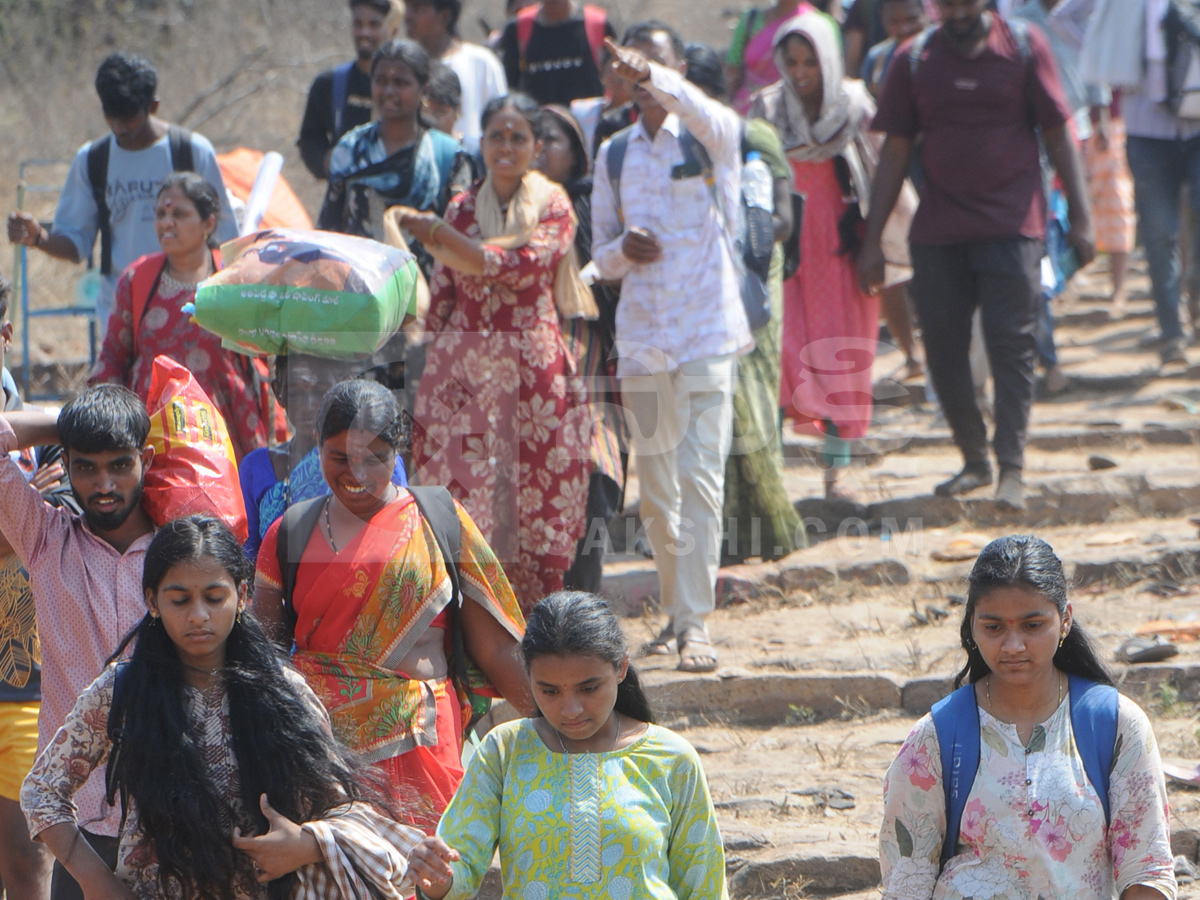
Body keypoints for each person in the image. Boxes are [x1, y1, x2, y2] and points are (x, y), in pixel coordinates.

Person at [22, 515, 423, 900]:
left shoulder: (285, 693)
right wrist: (95, 880)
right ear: (152, 601)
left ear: (243, 595)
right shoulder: (122, 690)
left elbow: (335, 807)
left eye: (214, 598)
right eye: (180, 600)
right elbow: (42, 790)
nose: (199, 616)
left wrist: (304, 844)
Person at [254, 379, 534, 832]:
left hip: (420, 746)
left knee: (427, 879)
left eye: (375, 458)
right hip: (320, 751)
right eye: (339, 458)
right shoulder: (289, 534)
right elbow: (262, 660)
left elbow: (496, 650)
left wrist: (567, 731)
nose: (356, 474)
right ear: (317, 449)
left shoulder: (439, 520)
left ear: (399, 453)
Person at [859, 0, 1095, 511]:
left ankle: (1011, 466)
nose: (959, 10)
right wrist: (872, 238)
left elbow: (1057, 131)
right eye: (948, 3)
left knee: (1012, 346)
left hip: (1014, 227)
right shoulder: (913, 58)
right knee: (943, 352)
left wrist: (1082, 215)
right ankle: (973, 458)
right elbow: (894, 150)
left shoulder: (1025, 46)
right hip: (939, 230)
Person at [879, 534, 1176, 900]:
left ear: (1064, 619)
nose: (1013, 645)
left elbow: (1147, 869)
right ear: (972, 625)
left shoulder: (1116, 725)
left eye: (1032, 625)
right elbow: (907, 881)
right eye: (994, 627)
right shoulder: (938, 736)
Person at [591, 25, 751, 672]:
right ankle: (675, 608)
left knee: (701, 478)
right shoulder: (614, 155)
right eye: (634, 64)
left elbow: (712, 116)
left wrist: (658, 76)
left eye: (655, 61)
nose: (644, 74)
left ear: (678, 66)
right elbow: (597, 257)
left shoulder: (711, 134)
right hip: (644, 339)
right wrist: (620, 253)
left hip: (709, 331)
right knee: (656, 490)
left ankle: (695, 624)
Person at [405, 591, 728, 900]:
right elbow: (458, 868)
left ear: (621, 668)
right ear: (528, 677)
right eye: (549, 691)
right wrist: (435, 876)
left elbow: (704, 886)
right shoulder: (504, 752)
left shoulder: (671, 758)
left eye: (588, 688)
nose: (571, 709)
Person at [402, 93, 592, 614]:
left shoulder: (553, 206)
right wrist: (421, 351)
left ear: (534, 147)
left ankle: (539, 636)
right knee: (464, 504)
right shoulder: (461, 208)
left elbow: (522, 266)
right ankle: (473, 639)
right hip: (461, 379)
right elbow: (442, 291)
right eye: (496, 136)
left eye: (518, 137)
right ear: (481, 143)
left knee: (536, 507)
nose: (506, 147)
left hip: (534, 377)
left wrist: (441, 238)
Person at [0, 385, 156, 900]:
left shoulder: (178, 552)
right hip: (79, 830)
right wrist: (65, 420)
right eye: (85, 467)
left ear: (146, 460)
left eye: (120, 464)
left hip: (170, 816)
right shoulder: (45, 539)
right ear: (65, 464)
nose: (104, 484)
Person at [6, 53, 237, 339]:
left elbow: (227, 243)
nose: (119, 127)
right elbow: (77, 244)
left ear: (153, 106)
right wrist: (38, 237)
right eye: (111, 117)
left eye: (129, 118)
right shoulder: (93, 159)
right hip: (122, 319)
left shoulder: (191, 152)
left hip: (191, 316)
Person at [752, 12, 882, 502]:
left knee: (838, 356)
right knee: (783, 353)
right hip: (784, 244)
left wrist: (877, 247)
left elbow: (879, 171)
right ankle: (771, 483)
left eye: (811, 62)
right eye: (792, 61)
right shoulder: (765, 110)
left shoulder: (855, 107)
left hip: (841, 248)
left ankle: (836, 476)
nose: (802, 72)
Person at [683, 42, 802, 561]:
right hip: (698, 286)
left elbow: (783, 221)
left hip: (751, 283)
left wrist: (732, 235)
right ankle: (725, 538)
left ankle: (773, 530)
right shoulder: (674, 146)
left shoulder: (753, 135)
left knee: (749, 403)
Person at [88, 172, 269, 461]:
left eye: (179, 214)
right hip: (155, 435)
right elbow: (113, 355)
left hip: (226, 431)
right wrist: (106, 422)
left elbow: (265, 353)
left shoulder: (236, 276)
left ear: (208, 223)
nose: (166, 223)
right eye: (160, 214)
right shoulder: (137, 280)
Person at [534, 105, 628, 593]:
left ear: (577, 155)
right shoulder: (488, 213)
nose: (538, 148)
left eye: (551, 139)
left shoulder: (590, 210)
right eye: (532, 138)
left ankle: (586, 627)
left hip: (586, 377)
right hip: (518, 391)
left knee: (592, 486)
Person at [0, 273, 70, 900]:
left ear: (5, 335)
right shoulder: (40, 441)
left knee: (28, 867)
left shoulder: (33, 441)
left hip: (24, 679)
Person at [1078, 0, 1195, 360]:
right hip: (1146, 132)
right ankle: (1171, 331)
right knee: (1160, 235)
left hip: (1197, 127)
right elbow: (1064, 17)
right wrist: (1111, 59)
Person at [239, 354, 406, 563]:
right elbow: (252, 549)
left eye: (321, 391)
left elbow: (397, 531)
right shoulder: (256, 467)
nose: (309, 404)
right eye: (296, 392)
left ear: (342, 388)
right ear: (278, 392)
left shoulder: (379, 462)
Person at [318, 40, 472, 255]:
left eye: (400, 83)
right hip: (361, 283)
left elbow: (464, 238)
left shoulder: (448, 156)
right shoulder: (351, 150)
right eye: (381, 81)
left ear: (424, 89)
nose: (389, 91)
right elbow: (328, 230)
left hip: (425, 286)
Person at [297, 0, 404, 180]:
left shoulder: (407, 85)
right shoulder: (329, 84)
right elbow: (309, 139)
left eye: (374, 25)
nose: (364, 33)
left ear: (392, 30)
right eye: (358, 24)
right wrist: (326, 162)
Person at [404, 0, 508, 154]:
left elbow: (501, 121)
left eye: (417, 8)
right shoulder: (404, 66)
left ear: (444, 16)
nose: (408, 16)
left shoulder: (482, 63)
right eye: (407, 8)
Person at [496, 0, 616, 107]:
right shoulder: (518, 29)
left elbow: (614, 87)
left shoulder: (598, 25)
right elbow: (511, 89)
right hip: (539, 127)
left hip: (588, 127)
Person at [725, 0, 815, 115]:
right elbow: (733, 67)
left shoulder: (814, 24)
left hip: (795, 116)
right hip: (748, 113)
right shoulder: (751, 20)